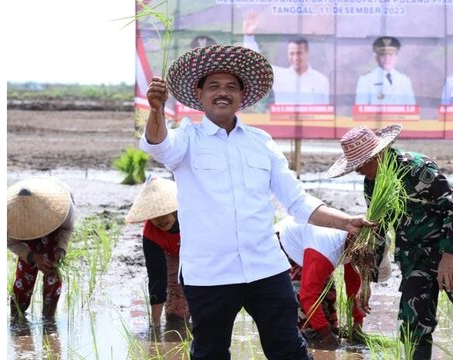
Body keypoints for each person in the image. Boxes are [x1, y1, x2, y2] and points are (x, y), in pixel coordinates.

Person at [141, 44, 373, 360]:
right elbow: (159, 147)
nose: (222, 93)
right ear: (199, 93)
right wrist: (156, 109)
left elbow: (297, 201)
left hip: (265, 268)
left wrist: (346, 222)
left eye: (230, 87)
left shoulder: (260, 142)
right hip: (209, 273)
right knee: (210, 353)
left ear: (241, 95)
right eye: (214, 86)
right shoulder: (186, 138)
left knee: (289, 351)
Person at [327, 124, 453, 359]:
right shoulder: (372, 183)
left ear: (377, 155)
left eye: (360, 165)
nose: (357, 172)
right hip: (415, 259)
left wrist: (449, 256)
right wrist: (366, 280)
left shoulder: (417, 169)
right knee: (413, 322)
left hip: (449, 251)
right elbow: (376, 231)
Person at [275, 216, 392, 348]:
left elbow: (352, 282)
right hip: (285, 245)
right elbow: (307, 296)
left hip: (312, 247)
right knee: (305, 320)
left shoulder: (356, 242)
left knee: (328, 305)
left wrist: (357, 322)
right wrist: (326, 335)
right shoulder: (327, 251)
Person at [125, 175, 189, 328]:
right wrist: (155, 325)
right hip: (170, 253)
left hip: (195, 253)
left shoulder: (191, 218)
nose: (160, 219)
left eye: (163, 212)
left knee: (198, 296)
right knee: (176, 315)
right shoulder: (151, 234)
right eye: (154, 215)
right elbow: (157, 277)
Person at [7, 176, 75, 319]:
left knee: (53, 276)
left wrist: (60, 249)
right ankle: (16, 316)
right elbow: (11, 242)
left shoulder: (63, 205)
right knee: (23, 281)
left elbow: (67, 229)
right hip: (26, 240)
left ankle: (48, 319)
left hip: (53, 237)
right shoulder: (10, 216)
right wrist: (32, 256)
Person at [243, 11, 330, 104]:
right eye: (292, 54)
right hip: (282, 118)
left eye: (299, 53)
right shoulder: (279, 76)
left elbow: (325, 112)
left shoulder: (321, 80)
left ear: (307, 52)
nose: (295, 58)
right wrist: (249, 37)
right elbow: (256, 64)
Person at [355, 36, 416, 105]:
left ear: (396, 57)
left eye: (391, 55)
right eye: (383, 55)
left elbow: (411, 109)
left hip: (400, 116)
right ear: (377, 58)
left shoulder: (404, 80)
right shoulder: (365, 80)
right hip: (374, 116)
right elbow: (360, 109)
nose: (387, 58)